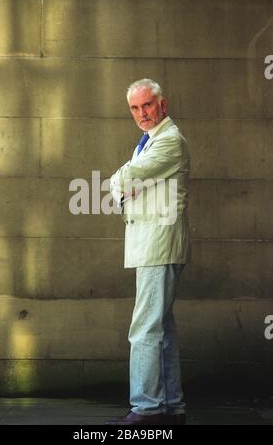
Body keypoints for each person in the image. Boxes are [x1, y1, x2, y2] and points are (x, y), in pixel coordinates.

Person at [107, 79, 191, 426]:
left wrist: (121, 183)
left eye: (148, 105)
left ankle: (146, 408)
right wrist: (125, 185)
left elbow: (125, 180)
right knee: (161, 329)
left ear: (163, 105)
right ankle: (171, 408)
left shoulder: (169, 141)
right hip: (151, 245)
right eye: (135, 108)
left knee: (144, 328)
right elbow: (127, 185)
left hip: (159, 245)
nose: (142, 113)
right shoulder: (149, 142)